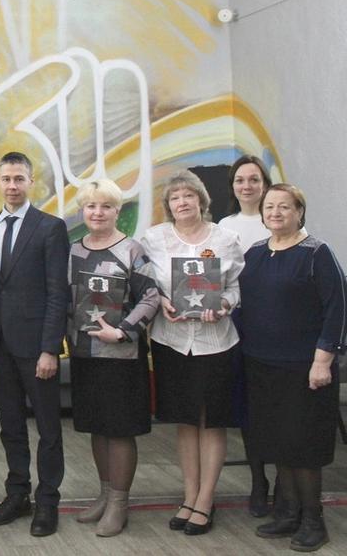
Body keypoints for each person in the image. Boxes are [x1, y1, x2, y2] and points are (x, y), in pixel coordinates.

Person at [240, 184, 346, 552]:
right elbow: (242, 302)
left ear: (299, 211)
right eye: (269, 206)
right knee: (277, 442)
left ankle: (313, 520)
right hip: (260, 365)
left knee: (304, 446)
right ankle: (287, 513)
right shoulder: (255, 253)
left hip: (304, 369)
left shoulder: (316, 253)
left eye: (284, 206)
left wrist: (323, 360)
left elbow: (337, 309)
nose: (275, 212)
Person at [139, 169, 243, 536]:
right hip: (171, 342)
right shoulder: (153, 238)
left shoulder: (226, 239)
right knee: (185, 420)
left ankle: (206, 499)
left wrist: (224, 304)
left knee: (210, 421)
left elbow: (236, 288)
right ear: (168, 206)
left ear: (201, 200)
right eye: (175, 198)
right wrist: (161, 300)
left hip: (216, 342)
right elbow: (144, 284)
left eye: (188, 195)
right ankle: (189, 495)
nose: (182, 202)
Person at [0, 151, 69, 537]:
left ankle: (47, 500)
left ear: (31, 181)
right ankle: (18, 494)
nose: (12, 185)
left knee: (48, 428)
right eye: (6, 179)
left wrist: (50, 348)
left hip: (37, 348)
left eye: (19, 179)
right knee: (11, 426)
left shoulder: (50, 227)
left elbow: (58, 293)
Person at [66, 179, 160, 537]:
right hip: (85, 353)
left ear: (117, 211)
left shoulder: (132, 250)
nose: (98, 212)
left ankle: (120, 503)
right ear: (83, 211)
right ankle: (104, 495)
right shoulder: (73, 252)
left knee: (119, 429)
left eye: (106, 206)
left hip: (122, 355)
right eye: (91, 206)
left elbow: (151, 297)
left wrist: (122, 331)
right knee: (96, 426)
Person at [218, 154, 274, 517]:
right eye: (240, 180)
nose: (247, 186)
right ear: (233, 186)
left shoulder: (278, 220)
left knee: (276, 405)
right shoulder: (225, 226)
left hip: (276, 323)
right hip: (239, 323)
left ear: (265, 184)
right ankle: (258, 480)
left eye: (254, 179)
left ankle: (287, 482)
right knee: (250, 406)